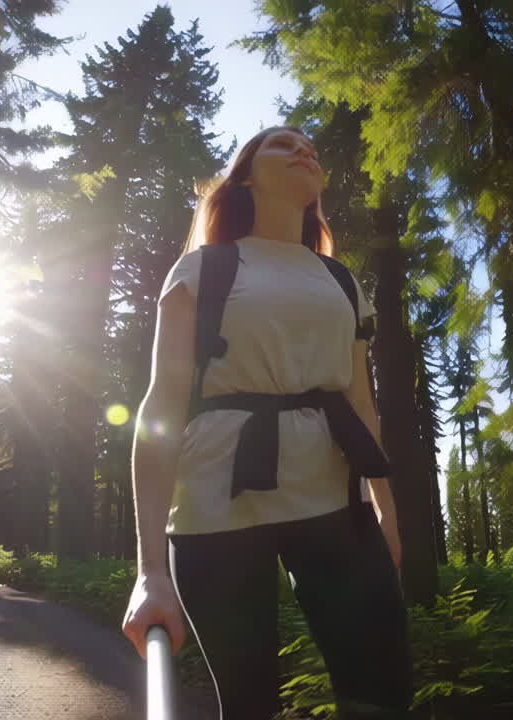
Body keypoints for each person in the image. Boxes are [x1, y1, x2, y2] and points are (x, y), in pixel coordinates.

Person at [121, 125, 414, 719]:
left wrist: (386, 511)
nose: (304, 149)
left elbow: (361, 403)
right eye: (282, 144)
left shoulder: (339, 279)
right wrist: (150, 570)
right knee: (250, 703)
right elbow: (162, 404)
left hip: (337, 504)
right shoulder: (202, 269)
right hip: (214, 511)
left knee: (382, 695)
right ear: (246, 175)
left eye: (311, 145)